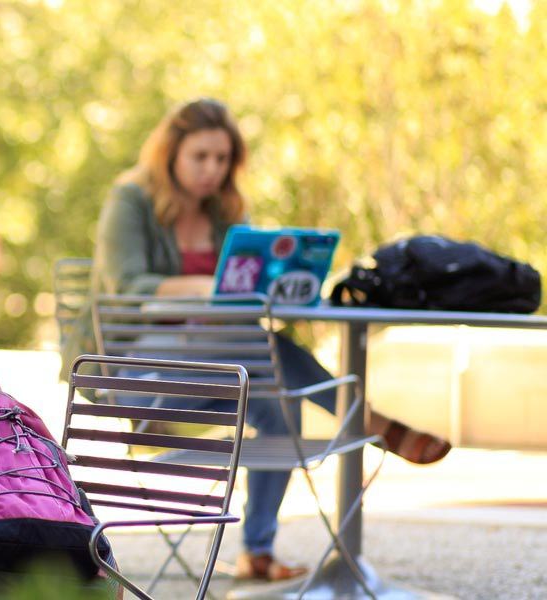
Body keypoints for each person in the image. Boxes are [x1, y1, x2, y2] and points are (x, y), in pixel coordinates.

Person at [92, 99, 451, 581]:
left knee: (280, 406)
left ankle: (257, 551)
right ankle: (366, 419)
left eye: (222, 160)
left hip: (214, 367)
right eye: (201, 156)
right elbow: (125, 287)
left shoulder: (222, 212)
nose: (212, 170)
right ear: (170, 153)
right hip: (136, 376)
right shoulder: (130, 199)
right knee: (271, 351)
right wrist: (206, 289)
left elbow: (239, 293)